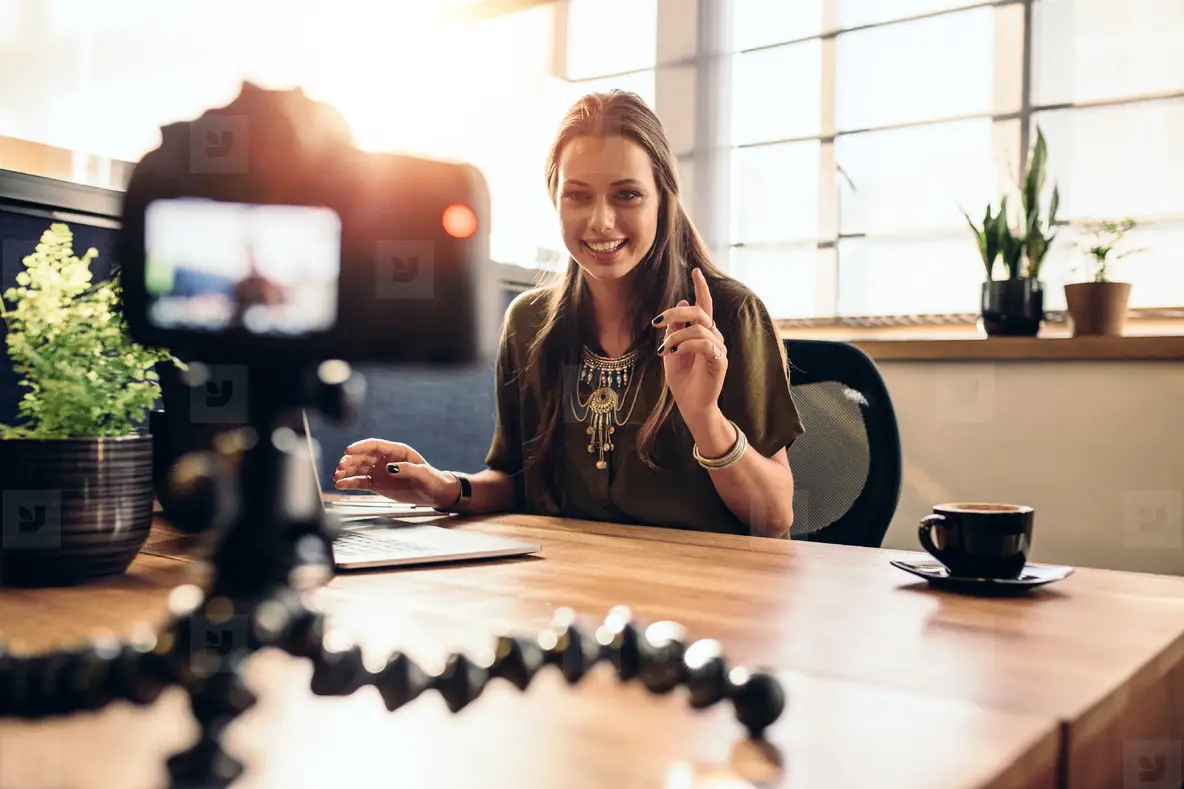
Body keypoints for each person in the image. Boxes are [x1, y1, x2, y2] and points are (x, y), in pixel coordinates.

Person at [334, 90, 804, 538]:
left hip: (706, 594)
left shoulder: (727, 315)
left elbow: (773, 518)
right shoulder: (528, 324)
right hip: (572, 582)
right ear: (554, 198)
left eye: (627, 195)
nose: (600, 221)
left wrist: (704, 418)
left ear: (663, 199)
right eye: (578, 195)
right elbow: (518, 481)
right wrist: (444, 487)